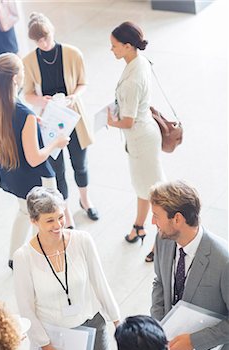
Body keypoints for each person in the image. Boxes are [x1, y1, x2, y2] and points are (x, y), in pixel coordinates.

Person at [13, 186, 126, 350]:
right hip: (54, 334)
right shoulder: (24, 257)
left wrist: (118, 323)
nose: (58, 224)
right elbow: (26, 308)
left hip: (91, 325)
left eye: (60, 216)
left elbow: (101, 283)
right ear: (34, 221)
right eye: (49, 220)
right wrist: (47, 347)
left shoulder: (82, 240)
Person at [0, 53, 69, 269]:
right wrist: (55, 143)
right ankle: (38, 259)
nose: (24, 73)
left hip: (12, 174)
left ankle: (13, 258)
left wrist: (32, 127)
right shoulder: (25, 114)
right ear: (15, 78)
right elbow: (34, 158)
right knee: (39, 219)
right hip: (36, 179)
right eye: (21, 69)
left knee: (23, 211)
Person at [150, 180, 229, 350]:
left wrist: (194, 341)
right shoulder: (162, 240)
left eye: (156, 216)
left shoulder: (224, 260)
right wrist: (160, 325)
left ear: (177, 219)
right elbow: (159, 282)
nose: (152, 222)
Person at [23, 12, 98, 229]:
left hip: (74, 118)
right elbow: (26, 94)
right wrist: (41, 100)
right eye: (38, 40)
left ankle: (85, 200)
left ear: (52, 32)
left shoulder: (72, 53)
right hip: (50, 122)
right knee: (57, 169)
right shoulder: (29, 62)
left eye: (45, 37)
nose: (43, 43)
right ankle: (65, 212)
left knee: (80, 163)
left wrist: (74, 96)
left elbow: (83, 82)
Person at [108, 21, 165, 262]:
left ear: (128, 46)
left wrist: (111, 121)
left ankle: (161, 243)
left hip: (141, 140)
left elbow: (128, 121)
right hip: (145, 136)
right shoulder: (139, 61)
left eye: (114, 46)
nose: (111, 49)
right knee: (144, 188)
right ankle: (139, 227)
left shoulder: (132, 81)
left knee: (157, 195)